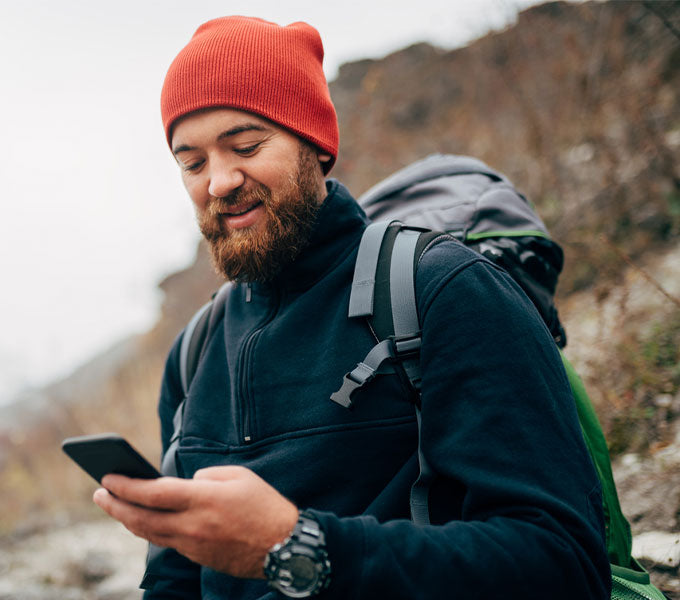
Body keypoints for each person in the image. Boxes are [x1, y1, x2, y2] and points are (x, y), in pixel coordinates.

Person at [93, 16, 611, 599]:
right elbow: (175, 580)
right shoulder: (193, 353)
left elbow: (564, 561)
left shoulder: (442, 290)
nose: (219, 181)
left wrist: (300, 546)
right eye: (192, 162)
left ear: (315, 143)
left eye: (246, 146)